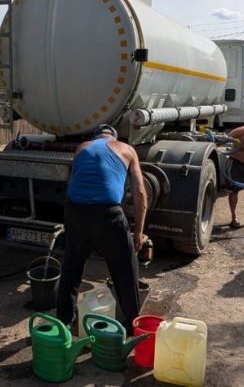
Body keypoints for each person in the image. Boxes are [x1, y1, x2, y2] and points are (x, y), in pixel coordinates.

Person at [57, 124, 148, 333]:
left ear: (95, 137)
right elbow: (140, 194)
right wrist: (138, 233)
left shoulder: (82, 147)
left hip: (75, 211)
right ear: (113, 138)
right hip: (107, 215)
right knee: (125, 269)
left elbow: (74, 180)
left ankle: (63, 324)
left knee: (71, 268)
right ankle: (134, 325)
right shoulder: (126, 149)